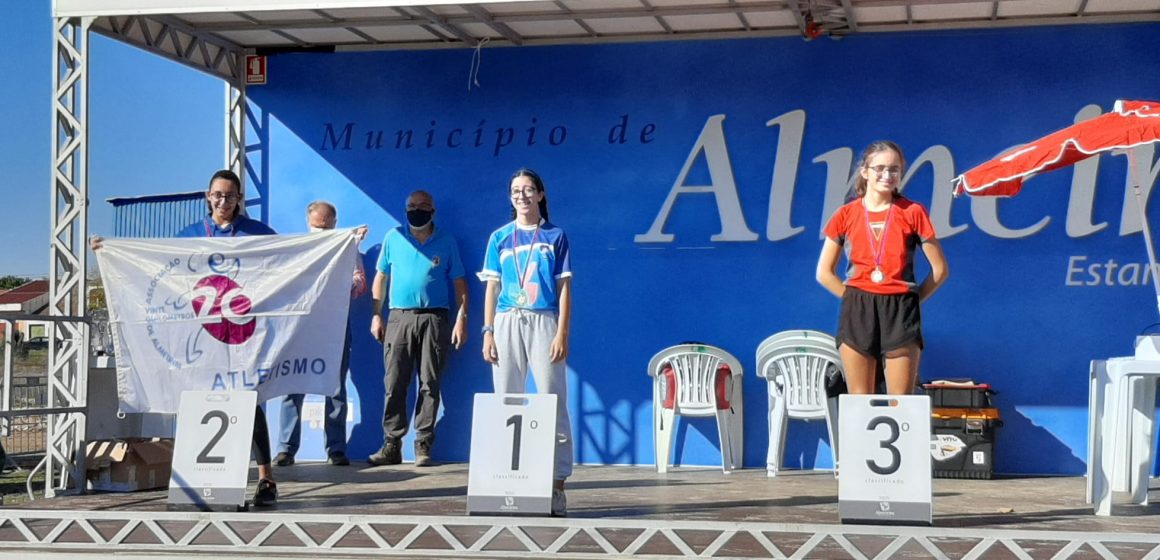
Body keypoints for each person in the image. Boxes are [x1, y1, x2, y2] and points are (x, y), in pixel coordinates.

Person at [91, 169, 281, 506]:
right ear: (208, 197)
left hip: (242, 334)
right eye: (218, 195)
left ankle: (266, 478)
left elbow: (289, 259)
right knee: (199, 400)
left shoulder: (257, 233)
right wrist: (110, 249)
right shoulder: (190, 234)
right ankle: (198, 478)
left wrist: (337, 243)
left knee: (249, 402)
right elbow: (157, 266)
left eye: (231, 195)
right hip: (200, 336)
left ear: (240, 199)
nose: (224, 201)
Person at [816, 141, 949, 395]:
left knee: (901, 404)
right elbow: (824, 272)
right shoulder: (845, 214)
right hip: (858, 308)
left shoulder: (913, 212)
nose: (887, 175)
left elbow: (940, 270)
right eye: (880, 168)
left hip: (900, 308)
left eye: (894, 169)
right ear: (864, 171)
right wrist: (854, 297)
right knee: (860, 402)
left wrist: (912, 299)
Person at [479, 168, 573, 517]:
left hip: (543, 320)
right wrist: (487, 331)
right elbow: (491, 287)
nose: (522, 196)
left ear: (541, 194)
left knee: (552, 400)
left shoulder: (555, 236)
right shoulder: (499, 237)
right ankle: (509, 484)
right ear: (510, 197)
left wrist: (562, 332)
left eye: (529, 189)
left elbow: (564, 288)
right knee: (506, 402)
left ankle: (557, 485)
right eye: (516, 190)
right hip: (506, 321)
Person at [368, 190, 468, 467]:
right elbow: (381, 277)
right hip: (399, 317)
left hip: (435, 319)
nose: (417, 210)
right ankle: (391, 444)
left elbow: (460, 283)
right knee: (395, 382)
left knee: (429, 383)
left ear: (433, 211)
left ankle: (423, 442)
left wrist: (462, 318)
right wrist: (376, 315)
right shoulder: (393, 237)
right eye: (412, 206)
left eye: (423, 206)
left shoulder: (446, 241)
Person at [273, 201, 368, 467]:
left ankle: (336, 448)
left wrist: (341, 285)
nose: (323, 232)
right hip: (300, 326)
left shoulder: (347, 249)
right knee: (293, 383)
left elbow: (360, 283)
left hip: (335, 326)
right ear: (308, 223)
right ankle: (286, 449)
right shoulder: (298, 249)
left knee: (335, 386)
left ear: (336, 225)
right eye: (317, 227)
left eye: (327, 227)